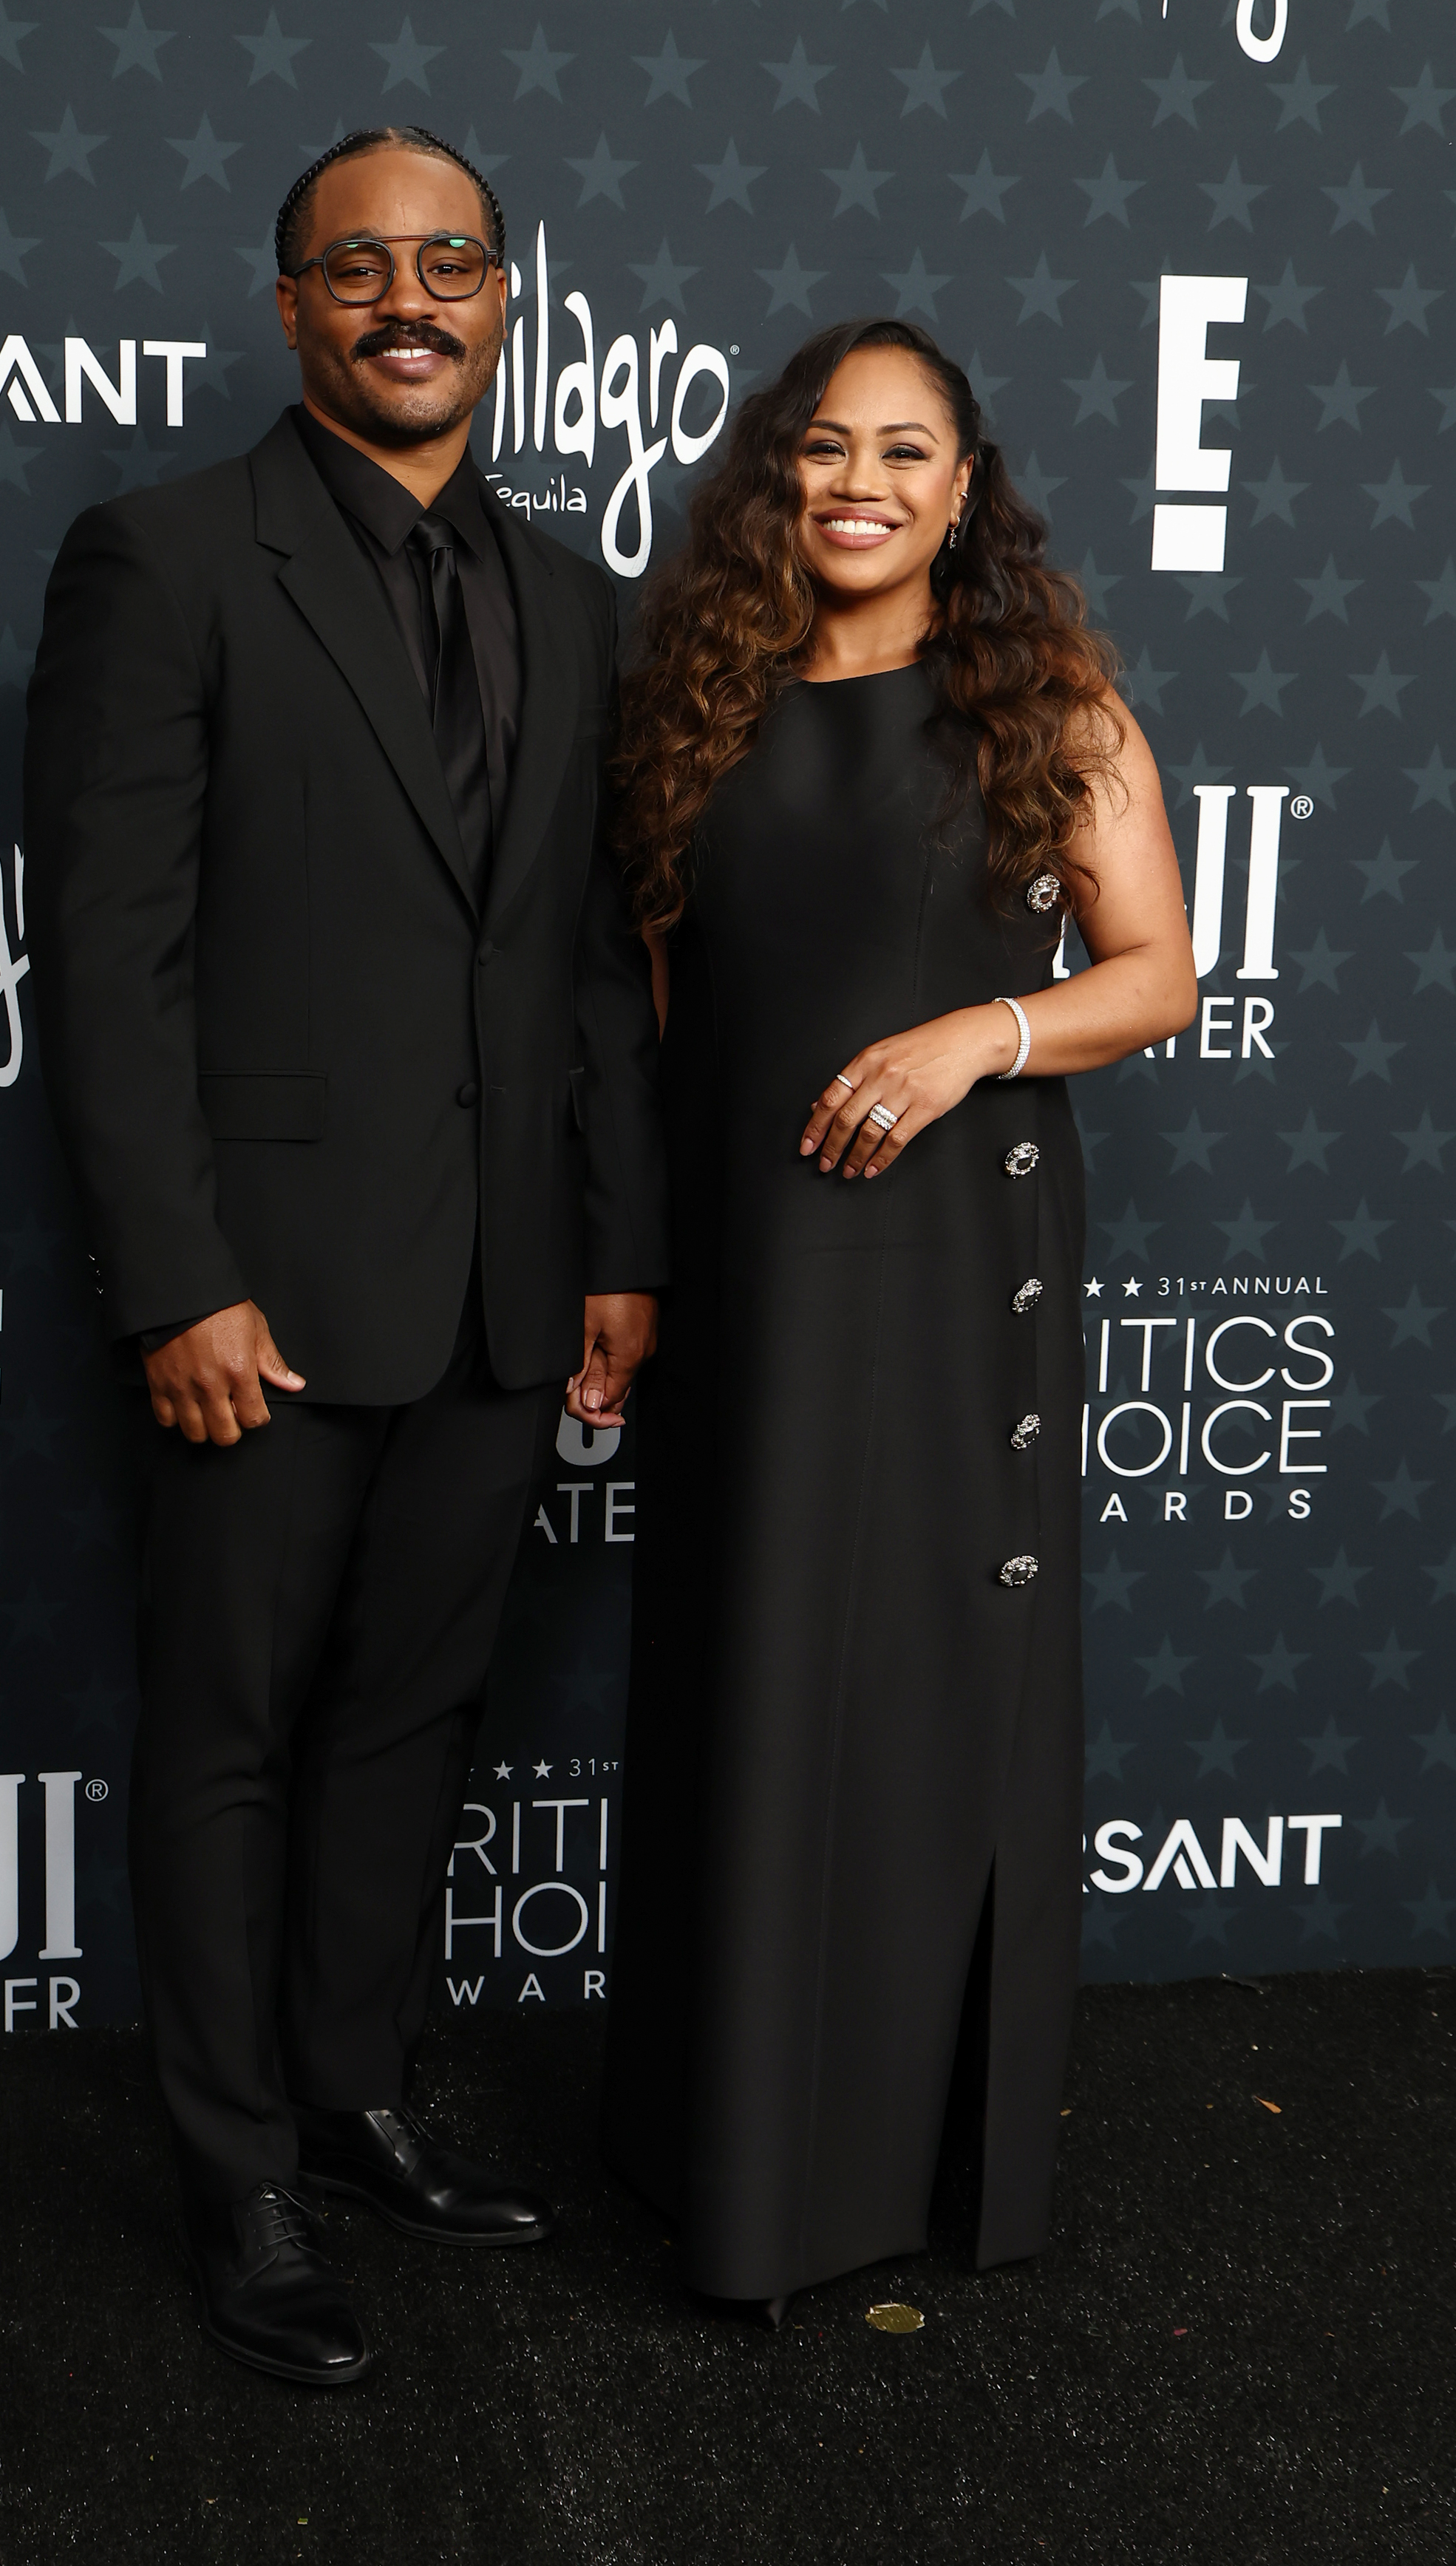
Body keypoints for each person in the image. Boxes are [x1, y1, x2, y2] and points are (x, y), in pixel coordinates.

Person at [24, 126, 665, 2387]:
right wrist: (175, 1278)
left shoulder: (576, 596)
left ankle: (351, 2090)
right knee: (230, 1737)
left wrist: (615, 1242)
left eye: (452, 262)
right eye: (361, 265)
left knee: (410, 1719)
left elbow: (584, 961)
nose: (412, 298)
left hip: (504, 1286)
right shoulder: (168, 557)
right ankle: (238, 2178)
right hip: (263, 1298)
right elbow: (107, 958)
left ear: (505, 301)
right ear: (290, 304)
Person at [600, 319, 1197, 2323]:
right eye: (823, 447)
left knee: (922, 1684)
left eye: (904, 451)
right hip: (746, 1269)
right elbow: (667, 1019)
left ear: (963, 492)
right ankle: (720, 2157)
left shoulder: (1040, 702)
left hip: (948, 1263)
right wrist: (636, 1262)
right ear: (775, 480)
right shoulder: (696, 706)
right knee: (747, 1680)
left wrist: (973, 1038)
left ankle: (891, 2162)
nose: (858, 482)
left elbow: (1157, 975)